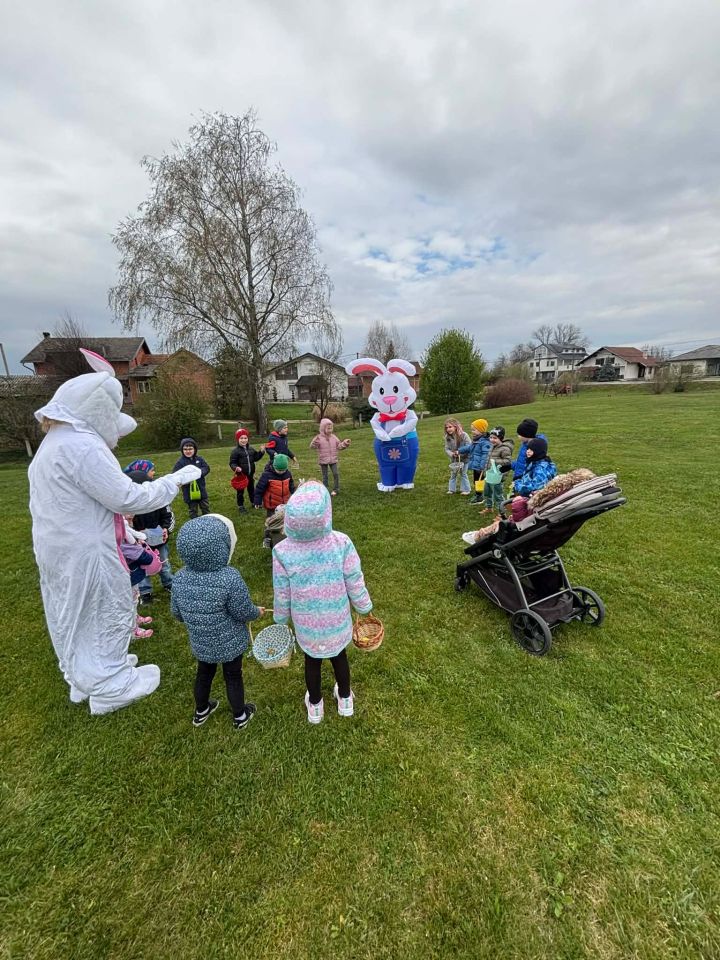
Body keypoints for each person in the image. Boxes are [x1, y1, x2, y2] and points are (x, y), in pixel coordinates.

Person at [28, 347, 200, 715]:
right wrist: (173, 482)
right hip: (85, 548)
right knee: (106, 604)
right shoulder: (82, 446)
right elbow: (126, 496)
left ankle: (86, 675)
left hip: (59, 546)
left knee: (73, 612)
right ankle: (110, 685)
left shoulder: (54, 444)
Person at [272, 481, 373, 724]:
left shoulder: (282, 550)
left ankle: (315, 705)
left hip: (306, 623)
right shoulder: (341, 542)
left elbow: (282, 590)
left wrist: (280, 617)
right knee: (340, 657)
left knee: (312, 661)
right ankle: (345, 698)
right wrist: (363, 606)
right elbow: (354, 579)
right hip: (337, 618)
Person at [171, 514, 264, 730]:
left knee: (204, 673)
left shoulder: (180, 577)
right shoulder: (229, 577)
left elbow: (177, 613)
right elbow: (242, 611)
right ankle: (240, 715)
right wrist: (256, 613)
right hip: (229, 641)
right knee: (233, 675)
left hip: (201, 640)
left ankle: (201, 710)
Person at [126, 468, 175, 603]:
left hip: (159, 540)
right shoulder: (128, 506)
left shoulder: (159, 500)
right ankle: (145, 592)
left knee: (164, 564)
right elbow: (124, 526)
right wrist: (134, 532)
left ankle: (169, 583)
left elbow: (168, 516)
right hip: (139, 543)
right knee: (142, 566)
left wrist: (166, 529)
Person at [253, 453, 296, 547]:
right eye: (278, 470)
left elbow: (291, 484)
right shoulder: (267, 475)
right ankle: (267, 538)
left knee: (284, 520)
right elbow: (259, 489)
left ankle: (284, 535)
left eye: (283, 470)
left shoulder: (288, 474)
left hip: (284, 504)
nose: (281, 472)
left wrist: (294, 492)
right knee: (271, 521)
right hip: (272, 505)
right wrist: (257, 501)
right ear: (273, 466)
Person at [309, 418, 351, 496]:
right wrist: (315, 442)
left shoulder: (334, 437)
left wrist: (345, 443)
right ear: (322, 428)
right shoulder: (319, 438)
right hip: (323, 460)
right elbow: (312, 447)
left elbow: (339, 446)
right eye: (328, 428)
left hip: (333, 460)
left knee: (336, 474)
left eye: (331, 428)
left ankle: (336, 489)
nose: (330, 430)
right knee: (325, 476)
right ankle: (325, 489)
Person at [229, 428, 265, 513]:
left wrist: (261, 452)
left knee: (251, 489)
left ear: (248, 439)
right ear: (237, 439)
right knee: (240, 491)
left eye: (245, 438)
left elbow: (256, 458)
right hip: (241, 476)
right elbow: (232, 463)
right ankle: (240, 506)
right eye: (241, 438)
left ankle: (253, 502)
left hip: (250, 474)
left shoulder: (251, 449)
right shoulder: (235, 451)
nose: (243, 440)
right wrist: (236, 468)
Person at [173, 438, 211, 518]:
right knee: (193, 509)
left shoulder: (199, 459)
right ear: (182, 450)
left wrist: (199, 473)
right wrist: (185, 479)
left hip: (201, 489)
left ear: (195, 449)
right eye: (185, 449)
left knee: (205, 506)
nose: (188, 451)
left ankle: (208, 519)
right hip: (188, 491)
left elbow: (206, 468)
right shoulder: (180, 462)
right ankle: (194, 523)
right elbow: (175, 475)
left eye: (190, 449)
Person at [480, 426, 514, 514]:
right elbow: (488, 460)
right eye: (490, 437)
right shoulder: (493, 446)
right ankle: (489, 507)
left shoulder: (504, 448)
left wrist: (495, 461)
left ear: (501, 438)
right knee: (487, 492)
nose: (492, 440)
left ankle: (501, 513)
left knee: (497, 495)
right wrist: (485, 470)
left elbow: (507, 461)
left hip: (498, 476)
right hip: (489, 475)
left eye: (495, 438)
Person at [457, 418, 492, 504]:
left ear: (481, 430)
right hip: (476, 465)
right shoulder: (477, 439)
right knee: (476, 480)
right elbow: (470, 447)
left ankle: (480, 496)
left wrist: (482, 466)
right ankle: (479, 494)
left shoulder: (485, 442)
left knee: (479, 481)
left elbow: (485, 454)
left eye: (474, 430)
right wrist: (460, 450)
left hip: (480, 466)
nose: (472, 431)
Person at [511, 418, 548, 484]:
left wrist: (520, 479)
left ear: (526, 435)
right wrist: (510, 464)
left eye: (520, 434)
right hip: (518, 478)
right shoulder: (525, 444)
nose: (518, 436)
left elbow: (531, 467)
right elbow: (522, 462)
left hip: (525, 481)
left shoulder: (535, 448)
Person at [444, 418, 471, 495]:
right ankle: (451, 489)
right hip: (454, 460)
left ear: (455, 427)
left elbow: (469, 446)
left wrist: (460, 452)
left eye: (450, 427)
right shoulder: (447, 437)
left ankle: (466, 490)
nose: (448, 429)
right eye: (446, 427)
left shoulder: (464, 435)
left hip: (464, 459)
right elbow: (446, 448)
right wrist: (452, 454)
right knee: (453, 474)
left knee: (463, 474)